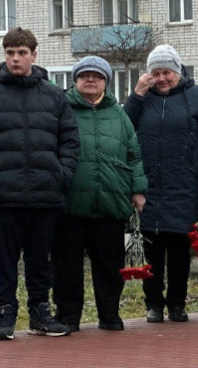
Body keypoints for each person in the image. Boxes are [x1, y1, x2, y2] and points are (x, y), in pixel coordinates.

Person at [0, 27, 80, 340]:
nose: (15, 59)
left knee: (40, 260)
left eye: (21, 53)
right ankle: (4, 314)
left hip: (46, 194)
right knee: (4, 261)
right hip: (5, 195)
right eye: (10, 53)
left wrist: (62, 175)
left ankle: (40, 313)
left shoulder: (54, 96)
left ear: (34, 55)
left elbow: (69, 140)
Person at [51, 56, 147, 333]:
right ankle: (68, 316)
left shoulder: (118, 113)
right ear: (76, 80)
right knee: (66, 264)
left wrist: (138, 189)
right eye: (84, 75)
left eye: (97, 75)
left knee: (109, 263)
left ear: (105, 80)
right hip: (70, 202)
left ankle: (109, 314)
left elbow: (134, 153)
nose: (90, 80)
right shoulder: (62, 109)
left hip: (110, 200)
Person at [125, 45, 198, 323]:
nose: (162, 78)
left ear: (178, 71)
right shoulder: (142, 98)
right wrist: (136, 95)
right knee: (151, 248)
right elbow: (125, 131)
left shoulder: (197, 96)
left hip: (184, 184)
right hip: (148, 184)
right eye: (156, 72)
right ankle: (153, 303)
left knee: (179, 248)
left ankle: (177, 304)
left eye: (167, 72)